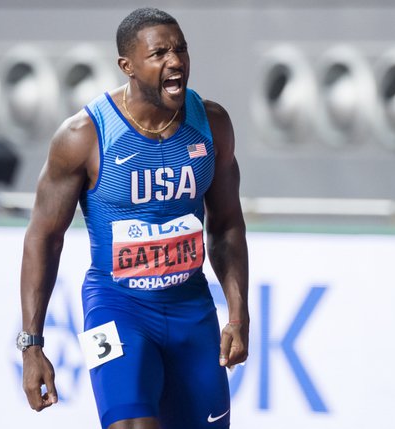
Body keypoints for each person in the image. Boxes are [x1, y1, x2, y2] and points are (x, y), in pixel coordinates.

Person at [18, 7, 249, 429]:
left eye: (180, 49)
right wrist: (31, 344)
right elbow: (43, 237)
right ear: (127, 66)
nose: (175, 61)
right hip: (116, 307)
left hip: (191, 308)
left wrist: (237, 314)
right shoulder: (82, 136)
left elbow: (228, 224)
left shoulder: (212, 125)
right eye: (159, 53)